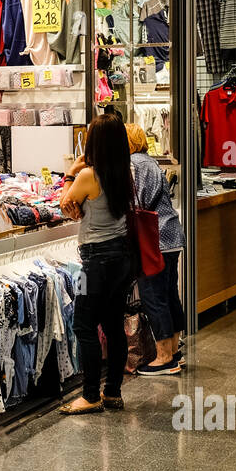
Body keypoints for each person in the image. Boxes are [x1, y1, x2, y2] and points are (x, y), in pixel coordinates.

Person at [58, 113, 134, 414]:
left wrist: (70, 173)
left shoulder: (88, 175)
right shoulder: (123, 171)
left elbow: (65, 203)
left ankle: (90, 395)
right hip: (122, 257)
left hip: (95, 261)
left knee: (84, 324)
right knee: (114, 325)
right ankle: (112, 392)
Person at [125, 124, 186, 375]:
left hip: (154, 239)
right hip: (170, 235)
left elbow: (138, 201)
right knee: (170, 294)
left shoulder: (133, 164)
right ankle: (173, 349)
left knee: (154, 296)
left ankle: (164, 357)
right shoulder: (148, 161)